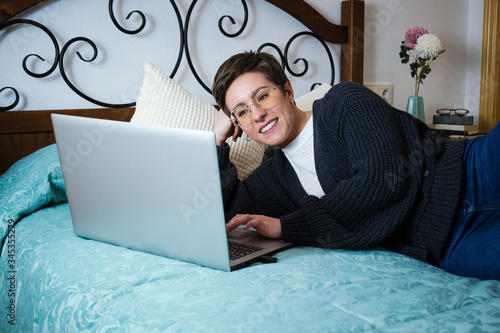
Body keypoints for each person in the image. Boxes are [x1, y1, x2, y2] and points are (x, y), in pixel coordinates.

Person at [211, 51, 500, 280]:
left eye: (262, 96)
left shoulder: (343, 102)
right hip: (448, 242)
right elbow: (224, 215)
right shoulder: (275, 179)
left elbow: (381, 179)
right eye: (242, 112)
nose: (258, 114)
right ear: (239, 126)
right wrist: (217, 143)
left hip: (472, 172)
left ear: (287, 91)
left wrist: (287, 226)